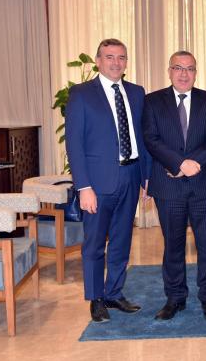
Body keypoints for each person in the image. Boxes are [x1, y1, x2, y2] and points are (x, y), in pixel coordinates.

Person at [66, 38, 150, 323]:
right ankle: (96, 299)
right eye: (110, 57)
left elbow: (143, 138)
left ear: (127, 62)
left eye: (121, 57)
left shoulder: (137, 93)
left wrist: (146, 178)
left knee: (122, 240)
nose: (116, 62)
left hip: (131, 175)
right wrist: (83, 187)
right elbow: (74, 145)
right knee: (94, 244)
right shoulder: (81, 94)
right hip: (97, 184)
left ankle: (114, 293)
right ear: (98, 61)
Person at [142, 50, 206, 320]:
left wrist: (192, 163)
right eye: (178, 68)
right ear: (169, 71)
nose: (184, 73)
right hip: (169, 185)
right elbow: (151, 139)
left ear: (196, 72)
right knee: (173, 245)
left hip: (204, 184)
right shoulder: (153, 101)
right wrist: (178, 163)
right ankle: (175, 298)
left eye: (189, 68)